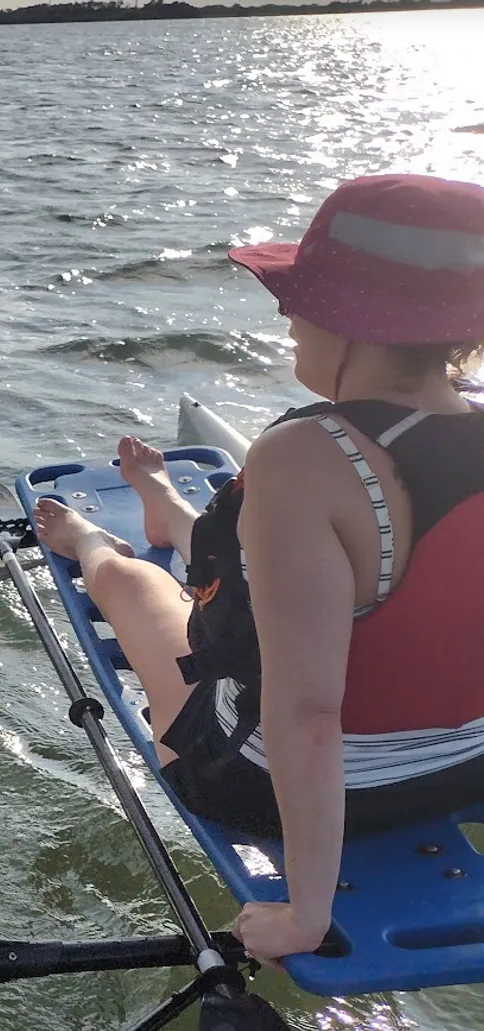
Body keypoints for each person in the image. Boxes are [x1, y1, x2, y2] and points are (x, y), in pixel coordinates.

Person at [29, 174, 484, 963]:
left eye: (299, 296)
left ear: (360, 323)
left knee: (142, 589)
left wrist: (304, 914)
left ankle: (90, 542)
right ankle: (171, 508)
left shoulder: (306, 457)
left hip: (266, 782)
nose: (285, 311)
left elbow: (307, 716)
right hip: (463, 768)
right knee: (238, 544)